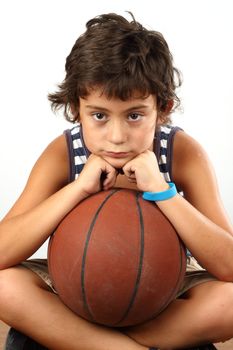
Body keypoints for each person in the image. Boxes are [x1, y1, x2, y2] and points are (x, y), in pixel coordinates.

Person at [0, 12, 233, 350]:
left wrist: (163, 192)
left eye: (135, 115)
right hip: (75, 287)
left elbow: (227, 264)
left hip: (163, 287)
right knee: (4, 286)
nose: (117, 137)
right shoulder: (64, 153)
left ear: (162, 109)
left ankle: (82, 339)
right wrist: (77, 189)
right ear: (75, 108)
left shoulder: (180, 151)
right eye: (98, 116)